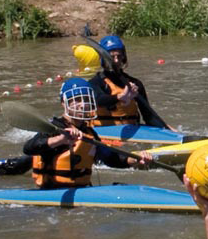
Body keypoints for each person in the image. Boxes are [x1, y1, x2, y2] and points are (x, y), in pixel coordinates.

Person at [23, 77, 151, 189]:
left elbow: (111, 159)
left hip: (81, 189)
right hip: (52, 191)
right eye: (77, 100)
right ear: (64, 103)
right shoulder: (54, 128)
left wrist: (135, 159)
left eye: (86, 100)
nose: (83, 105)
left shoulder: (89, 133)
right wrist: (61, 139)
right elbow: (29, 147)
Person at [88, 35, 172, 129]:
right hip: (105, 131)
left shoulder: (135, 84)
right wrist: (120, 97)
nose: (116, 61)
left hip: (131, 128)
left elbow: (149, 117)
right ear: (103, 58)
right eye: (111, 57)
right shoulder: (95, 82)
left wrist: (166, 129)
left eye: (119, 56)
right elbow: (98, 100)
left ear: (123, 57)